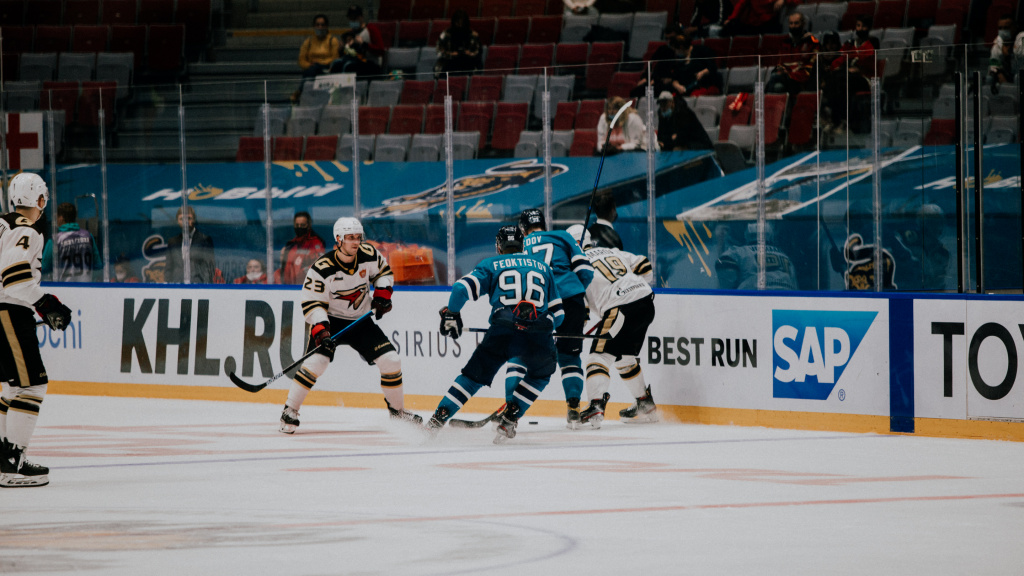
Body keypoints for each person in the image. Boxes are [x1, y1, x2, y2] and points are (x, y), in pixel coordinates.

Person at [278, 217, 418, 434]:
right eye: (350, 237)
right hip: (331, 321)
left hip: (361, 320)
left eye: (358, 237)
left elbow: (383, 273)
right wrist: (322, 331)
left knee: (391, 360)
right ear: (338, 239)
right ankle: (290, 410)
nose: (355, 242)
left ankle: (397, 413)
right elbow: (313, 302)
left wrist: (382, 295)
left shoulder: (368, 254)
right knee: (317, 362)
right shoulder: (322, 268)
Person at [427, 225, 564, 443]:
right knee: (540, 373)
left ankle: (438, 418)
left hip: (503, 328)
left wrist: (452, 314)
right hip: (539, 331)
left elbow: (461, 289)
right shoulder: (543, 267)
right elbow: (559, 315)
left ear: (499, 246)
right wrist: (539, 326)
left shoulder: (491, 264)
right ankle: (510, 417)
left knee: (472, 378)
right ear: (522, 245)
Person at [0, 172, 73, 487]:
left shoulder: (2, 224)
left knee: (14, 387)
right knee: (32, 386)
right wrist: (45, 303)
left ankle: (6, 456)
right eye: (44, 197)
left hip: (4, 311)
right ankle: (10, 465)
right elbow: (14, 279)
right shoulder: (26, 230)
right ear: (39, 199)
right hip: (9, 312)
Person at [566, 225, 658, 427]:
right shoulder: (611, 251)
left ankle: (595, 405)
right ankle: (645, 404)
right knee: (624, 357)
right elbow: (645, 266)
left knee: (597, 357)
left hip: (620, 308)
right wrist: (629, 286)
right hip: (646, 301)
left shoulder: (576, 266)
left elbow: (581, 308)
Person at [519, 209, 594, 428]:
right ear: (544, 223)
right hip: (571, 299)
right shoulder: (563, 236)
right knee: (569, 356)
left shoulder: (521, 244)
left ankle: (510, 411)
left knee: (520, 355)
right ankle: (574, 409)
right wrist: (575, 291)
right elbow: (586, 271)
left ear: (523, 229)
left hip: (539, 302)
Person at [715, 222, 798, 290]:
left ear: (747, 234)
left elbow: (724, 266)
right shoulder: (785, 256)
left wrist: (720, 244)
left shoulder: (740, 252)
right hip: (783, 299)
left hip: (753, 298)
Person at [40, 202, 102, 282]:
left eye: (57, 216)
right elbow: (98, 266)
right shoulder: (88, 236)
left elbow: (44, 268)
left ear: (61, 218)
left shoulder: (55, 241)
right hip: (87, 286)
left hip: (63, 287)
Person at [293, 14, 343, 102]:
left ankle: (300, 91)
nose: (320, 27)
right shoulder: (308, 42)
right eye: (317, 25)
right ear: (314, 26)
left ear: (326, 26)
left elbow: (335, 58)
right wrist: (309, 65)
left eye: (322, 25)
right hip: (311, 68)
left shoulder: (332, 40)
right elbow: (301, 59)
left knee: (313, 69)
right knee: (312, 69)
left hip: (326, 68)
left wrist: (320, 62)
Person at [164, 206, 216, 284]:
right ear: (177, 221)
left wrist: (204, 287)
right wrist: (169, 286)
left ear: (194, 219)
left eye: (188, 218)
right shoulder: (173, 241)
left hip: (197, 286)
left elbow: (209, 267)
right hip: (176, 286)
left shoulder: (204, 239)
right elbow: (168, 268)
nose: (185, 222)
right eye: (181, 219)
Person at [279, 212, 327, 285]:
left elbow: (320, 264)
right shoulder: (291, 245)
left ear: (308, 225)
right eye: (297, 225)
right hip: (287, 287)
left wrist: (302, 273)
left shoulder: (316, 243)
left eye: (302, 225)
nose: (299, 227)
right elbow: (284, 269)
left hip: (306, 286)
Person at [435, 10, 482, 77]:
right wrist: (451, 54)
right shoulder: (445, 34)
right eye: (458, 23)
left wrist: (469, 53)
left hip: (468, 62)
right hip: (449, 62)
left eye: (462, 23)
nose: (460, 26)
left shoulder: (473, 35)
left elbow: (478, 52)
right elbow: (439, 51)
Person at [988, 15, 1024, 94]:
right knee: (992, 77)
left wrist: (1009, 51)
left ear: (1014, 27)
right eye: (1000, 28)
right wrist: (998, 73)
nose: (1003, 31)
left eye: (1006, 27)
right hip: (1009, 76)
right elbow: (993, 64)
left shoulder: (1022, 37)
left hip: (1020, 75)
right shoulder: (998, 42)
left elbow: (1020, 53)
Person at [722, 0, 795, 36]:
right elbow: (741, 4)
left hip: (769, 23)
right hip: (752, 23)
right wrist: (731, 18)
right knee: (729, 27)